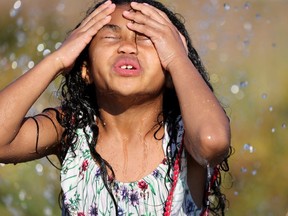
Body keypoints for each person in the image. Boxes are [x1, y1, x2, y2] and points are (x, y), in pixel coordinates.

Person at [0, 0, 231, 215]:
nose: (127, 47)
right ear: (85, 70)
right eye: (111, 37)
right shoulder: (72, 129)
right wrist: (58, 60)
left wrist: (178, 59)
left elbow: (213, 142)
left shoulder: (184, 139)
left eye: (144, 38)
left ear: (172, 74)